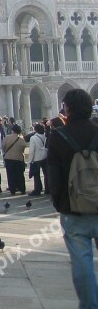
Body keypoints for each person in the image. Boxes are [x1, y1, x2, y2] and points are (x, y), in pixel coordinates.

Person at [48, 88, 98, 309]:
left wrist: (60, 204)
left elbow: (54, 177)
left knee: (82, 262)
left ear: (66, 109)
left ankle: (89, 305)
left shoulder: (58, 136)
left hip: (73, 207)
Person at [2, 124, 27, 195]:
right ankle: (22, 189)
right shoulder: (21, 139)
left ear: (12, 130)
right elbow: (23, 147)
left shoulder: (7, 138)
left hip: (9, 158)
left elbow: (3, 147)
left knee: (10, 175)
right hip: (19, 158)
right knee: (20, 174)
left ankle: (12, 189)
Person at [27, 123, 49, 196]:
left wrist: (29, 161)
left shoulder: (33, 138)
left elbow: (32, 150)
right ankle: (48, 188)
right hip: (45, 156)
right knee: (46, 174)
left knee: (36, 174)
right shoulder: (45, 136)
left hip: (37, 157)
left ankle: (37, 189)